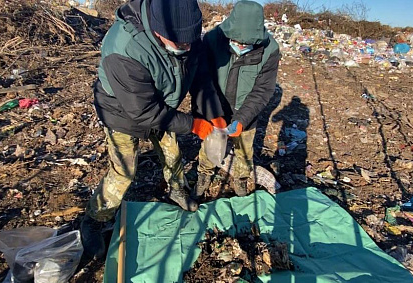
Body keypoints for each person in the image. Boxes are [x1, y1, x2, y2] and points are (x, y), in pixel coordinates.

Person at [82, 0, 226, 259]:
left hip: (163, 106)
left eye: (191, 42)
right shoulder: (123, 48)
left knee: (173, 156)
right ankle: (94, 219)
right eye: (181, 45)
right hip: (122, 114)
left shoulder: (186, 35)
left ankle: (177, 189)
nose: (188, 48)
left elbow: (201, 76)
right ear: (158, 32)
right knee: (124, 173)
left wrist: (212, 113)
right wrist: (194, 124)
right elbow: (144, 112)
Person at [194, 1, 280, 199]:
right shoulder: (213, 40)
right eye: (237, 41)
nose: (241, 46)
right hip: (215, 107)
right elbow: (203, 80)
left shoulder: (270, 49)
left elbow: (263, 90)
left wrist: (242, 118)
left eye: (246, 44)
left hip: (245, 110)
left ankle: (240, 180)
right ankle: (203, 176)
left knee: (244, 150)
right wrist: (213, 114)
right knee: (209, 147)